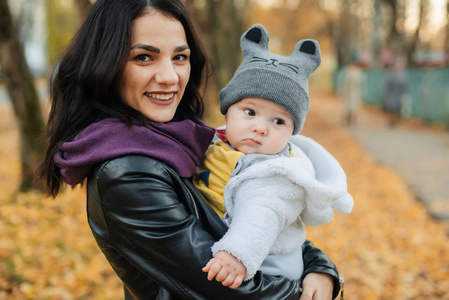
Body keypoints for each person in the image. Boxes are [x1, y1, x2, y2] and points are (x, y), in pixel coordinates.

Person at [38, 1, 343, 299]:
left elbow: (261, 214)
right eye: (144, 57)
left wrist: (320, 266)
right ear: (104, 64)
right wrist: (305, 289)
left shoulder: (184, 138)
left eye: (180, 58)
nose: (170, 76)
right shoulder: (127, 171)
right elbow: (222, 285)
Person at [193, 24, 353, 289]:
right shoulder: (214, 143)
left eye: (278, 121)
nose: (261, 127)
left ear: (292, 131)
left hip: (268, 269)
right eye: (250, 112)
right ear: (227, 111)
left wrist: (236, 254)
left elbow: (264, 213)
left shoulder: (281, 172)